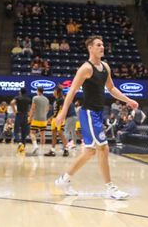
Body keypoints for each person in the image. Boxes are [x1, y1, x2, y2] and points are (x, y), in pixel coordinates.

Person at [54, 36, 139, 200]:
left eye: (103, 45)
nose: (102, 47)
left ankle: (64, 180)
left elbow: (112, 88)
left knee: (89, 152)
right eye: (98, 45)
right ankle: (110, 187)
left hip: (98, 114)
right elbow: (71, 91)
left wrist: (128, 100)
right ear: (90, 48)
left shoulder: (105, 66)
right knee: (103, 149)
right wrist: (63, 112)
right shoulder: (86, 68)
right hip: (88, 113)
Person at [29, 86, 50, 156]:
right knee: (42, 134)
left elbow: (32, 108)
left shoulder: (35, 98)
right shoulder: (46, 99)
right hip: (44, 119)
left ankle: (35, 146)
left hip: (36, 118)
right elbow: (47, 109)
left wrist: (30, 117)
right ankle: (42, 150)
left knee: (32, 133)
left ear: (38, 91)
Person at [49, 87, 69, 156]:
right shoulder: (56, 100)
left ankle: (66, 149)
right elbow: (55, 111)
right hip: (54, 119)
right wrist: (51, 118)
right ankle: (52, 150)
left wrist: (60, 118)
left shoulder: (61, 100)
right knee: (53, 135)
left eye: (54, 91)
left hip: (59, 119)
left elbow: (63, 110)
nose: (53, 92)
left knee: (61, 134)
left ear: (57, 92)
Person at [11, 88, 31, 154]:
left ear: (20, 92)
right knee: (24, 133)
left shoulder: (17, 97)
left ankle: (19, 143)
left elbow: (12, 103)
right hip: (25, 116)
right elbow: (31, 107)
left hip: (19, 115)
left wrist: (14, 111)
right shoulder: (28, 99)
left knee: (16, 131)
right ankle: (23, 148)